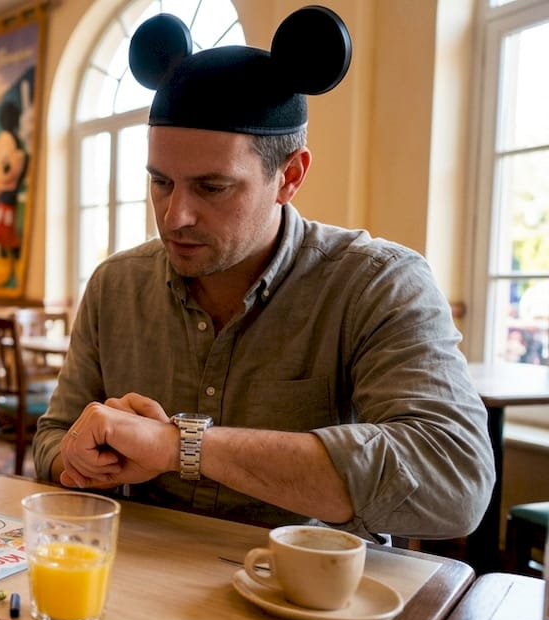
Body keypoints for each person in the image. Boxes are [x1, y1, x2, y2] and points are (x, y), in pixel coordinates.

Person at [32, 7, 494, 542]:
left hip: (315, 598)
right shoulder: (115, 285)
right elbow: (53, 438)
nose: (174, 215)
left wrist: (178, 446)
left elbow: (454, 481)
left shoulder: (376, 283)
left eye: (212, 187)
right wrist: (83, 456)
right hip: (145, 582)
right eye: (161, 182)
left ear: (289, 176)